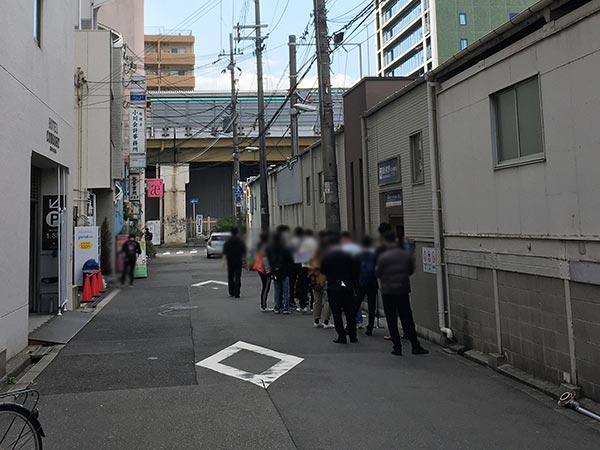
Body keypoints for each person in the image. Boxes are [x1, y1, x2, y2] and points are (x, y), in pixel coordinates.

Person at [375, 232, 429, 356]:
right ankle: (415, 346)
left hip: (388, 291)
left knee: (391, 319)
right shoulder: (405, 255)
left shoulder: (383, 256)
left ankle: (397, 347)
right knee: (407, 318)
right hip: (403, 290)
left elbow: (377, 273)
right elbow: (410, 270)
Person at [320, 233, 358, 344]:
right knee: (349, 312)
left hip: (333, 287)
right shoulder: (349, 255)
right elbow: (355, 271)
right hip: (347, 287)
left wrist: (322, 285)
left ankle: (341, 336)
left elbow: (323, 274)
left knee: (336, 313)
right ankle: (353, 335)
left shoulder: (327, 256)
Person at [355, 236, 379, 336]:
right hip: (373, 283)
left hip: (361, 282)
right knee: (372, 306)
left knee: (356, 304)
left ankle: (351, 324)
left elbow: (355, 268)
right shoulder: (374, 254)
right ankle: (370, 327)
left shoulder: (359, 254)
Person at [266, 229, 294, 314]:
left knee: (277, 290)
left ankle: (277, 307)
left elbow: (269, 260)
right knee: (286, 290)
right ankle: (286, 308)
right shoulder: (285, 248)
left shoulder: (271, 248)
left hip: (275, 271)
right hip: (285, 271)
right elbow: (290, 260)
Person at [308, 237, 333, 328]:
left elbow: (310, 268)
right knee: (328, 301)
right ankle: (326, 321)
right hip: (325, 280)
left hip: (315, 281)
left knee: (317, 301)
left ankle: (316, 320)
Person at [295, 229, 318, 313]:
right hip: (313, 267)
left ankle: (303, 306)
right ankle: (313, 306)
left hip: (304, 267)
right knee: (313, 287)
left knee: (303, 287)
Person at [222, 227, 246, 298]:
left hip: (230, 261)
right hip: (238, 261)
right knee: (238, 277)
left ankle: (231, 291)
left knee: (230, 276)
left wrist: (224, 262)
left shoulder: (228, 241)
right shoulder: (241, 241)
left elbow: (225, 253)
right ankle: (237, 292)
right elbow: (244, 252)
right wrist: (245, 262)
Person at [251, 231, 272, 311]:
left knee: (264, 287)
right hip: (264, 269)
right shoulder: (266, 246)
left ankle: (263, 305)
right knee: (266, 287)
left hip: (259, 268)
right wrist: (268, 271)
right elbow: (265, 259)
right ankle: (263, 306)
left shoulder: (259, 245)